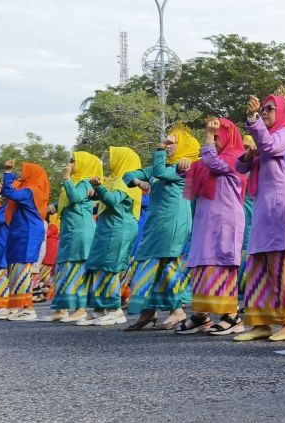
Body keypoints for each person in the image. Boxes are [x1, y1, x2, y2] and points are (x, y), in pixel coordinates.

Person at [234, 93, 285, 342]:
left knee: (282, 266)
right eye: (263, 109)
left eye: (269, 109)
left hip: (283, 210)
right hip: (264, 209)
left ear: (283, 112)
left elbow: (268, 146)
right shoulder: (267, 136)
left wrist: (252, 119)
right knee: (259, 265)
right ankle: (260, 323)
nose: (265, 112)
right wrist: (248, 156)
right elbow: (241, 167)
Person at [123, 127, 199, 330]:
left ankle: (177, 310)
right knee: (146, 264)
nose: (166, 145)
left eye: (171, 142)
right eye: (166, 142)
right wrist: (138, 181)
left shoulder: (186, 167)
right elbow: (128, 175)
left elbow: (159, 173)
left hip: (174, 220)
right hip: (155, 222)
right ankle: (148, 312)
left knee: (168, 263)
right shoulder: (164, 165)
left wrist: (158, 148)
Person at [176, 118, 247, 335]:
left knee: (222, 264)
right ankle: (201, 315)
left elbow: (212, 164)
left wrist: (206, 136)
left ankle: (232, 317)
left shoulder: (236, 158)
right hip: (205, 221)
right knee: (202, 264)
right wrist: (183, 166)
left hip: (226, 221)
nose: (213, 140)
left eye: (217, 137)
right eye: (212, 137)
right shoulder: (207, 161)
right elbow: (191, 175)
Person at [80, 147, 143, 327]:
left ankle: (115, 310)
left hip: (119, 226)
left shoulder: (126, 180)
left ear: (122, 159)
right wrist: (97, 191)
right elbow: (103, 199)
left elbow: (112, 200)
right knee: (98, 265)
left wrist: (98, 188)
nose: (110, 161)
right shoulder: (113, 180)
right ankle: (100, 309)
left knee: (110, 266)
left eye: (113, 157)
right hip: (108, 226)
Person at [48, 152, 102, 323]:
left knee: (77, 267)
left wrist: (66, 178)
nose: (70, 163)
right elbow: (69, 200)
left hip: (80, 230)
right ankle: (61, 308)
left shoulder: (85, 182)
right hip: (70, 229)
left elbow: (76, 197)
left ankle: (80, 308)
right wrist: (55, 206)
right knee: (65, 267)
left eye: (74, 160)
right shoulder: (76, 181)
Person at [0, 160, 50, 322]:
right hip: (20, 232)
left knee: (22, 269)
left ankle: (28, 308)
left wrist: (8, 173)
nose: (22, 174)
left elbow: (11, 193)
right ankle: (15, 307)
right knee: (15, 269)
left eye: (25, 171)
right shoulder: (28, 188)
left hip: (28, 233)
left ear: (33, 174)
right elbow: (12, 190)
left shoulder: (33, 190)